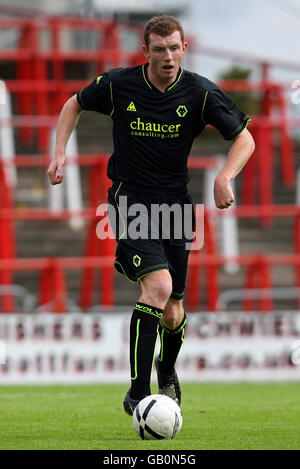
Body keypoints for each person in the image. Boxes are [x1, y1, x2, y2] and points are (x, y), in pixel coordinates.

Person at [47, 15, 255, 415]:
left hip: (176, 206)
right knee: (157, 289)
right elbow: (74, 103)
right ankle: (138, 392)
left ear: (184, 49)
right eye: (159, 49)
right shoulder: (119, 84)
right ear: (146, 52)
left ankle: (167, 367)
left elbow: (245, 137)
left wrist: (225, 177)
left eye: (174, 48)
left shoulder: (200, 92)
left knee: (174, 309)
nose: (168, 56)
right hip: (130, 201)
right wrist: (59, 153)